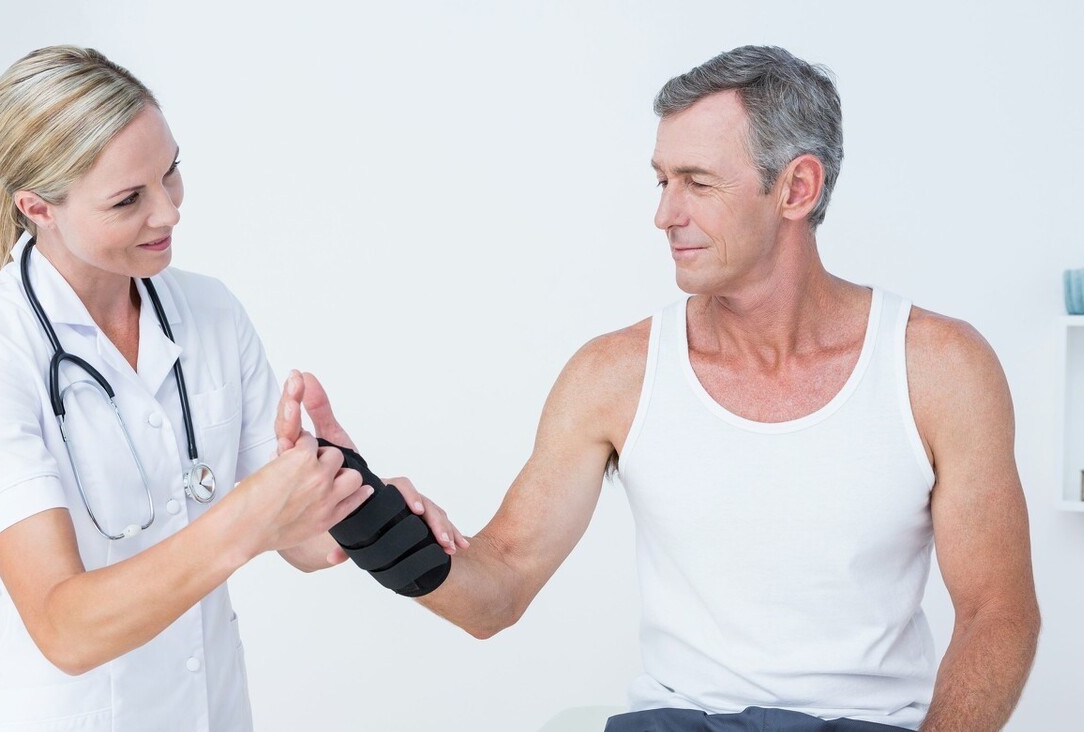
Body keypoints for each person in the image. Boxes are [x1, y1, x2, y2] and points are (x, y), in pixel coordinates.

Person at [295, 46, 1040, 731]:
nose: (663, 215)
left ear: (797, 188)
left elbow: (997, 612)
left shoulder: (940, 368)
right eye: (662, 180)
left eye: (698, 183)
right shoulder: (613, 376)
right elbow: (499, 589)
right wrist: (368, 515)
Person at [0, 45, 461, 731]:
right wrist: (248, 520)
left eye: (170, 172)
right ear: (38, 208)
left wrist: (355, 502)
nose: (169, 213)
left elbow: (302, 542)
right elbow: (64, 629)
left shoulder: (210, 312)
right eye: (128, 199)